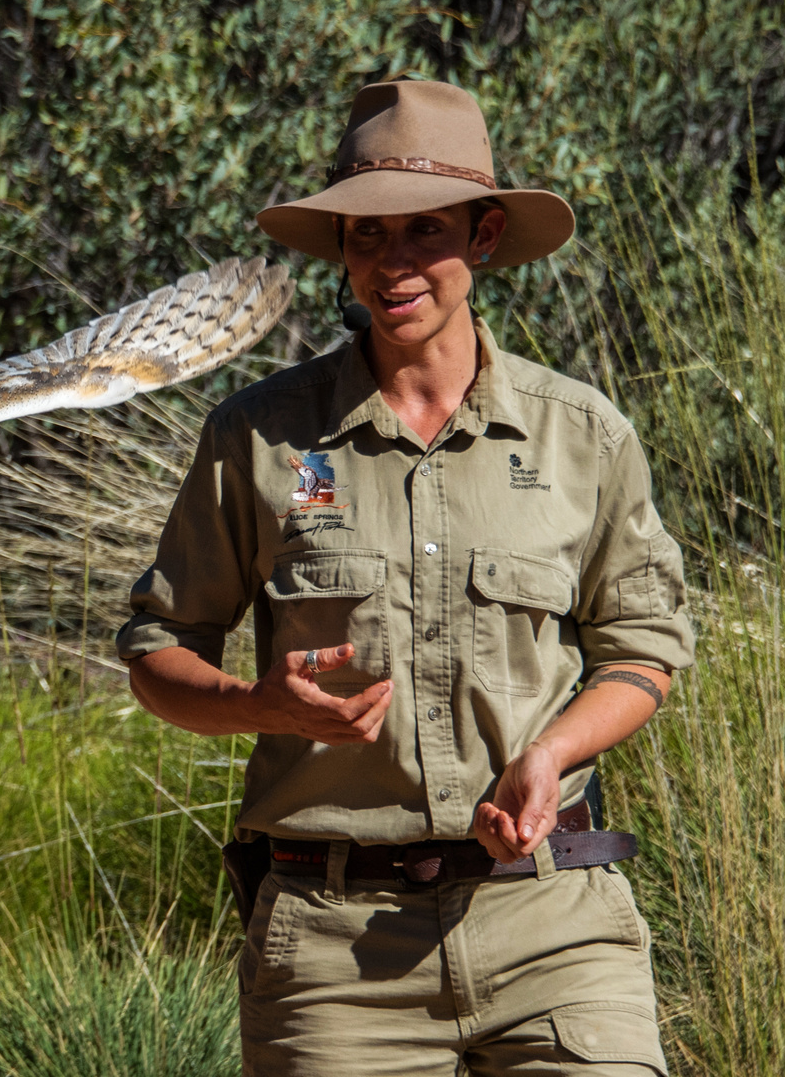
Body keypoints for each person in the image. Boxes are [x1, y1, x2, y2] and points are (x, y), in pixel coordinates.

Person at [117, 79, 694, 1076]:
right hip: (335, 950)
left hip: (554, 921)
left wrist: (551, 756)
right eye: (365, 236)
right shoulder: (256, 436)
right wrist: (264, 706)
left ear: (483, 234)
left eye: (422, 231)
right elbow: (157, 650)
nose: (392, 265)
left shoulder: (582, 435)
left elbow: (643, 648)